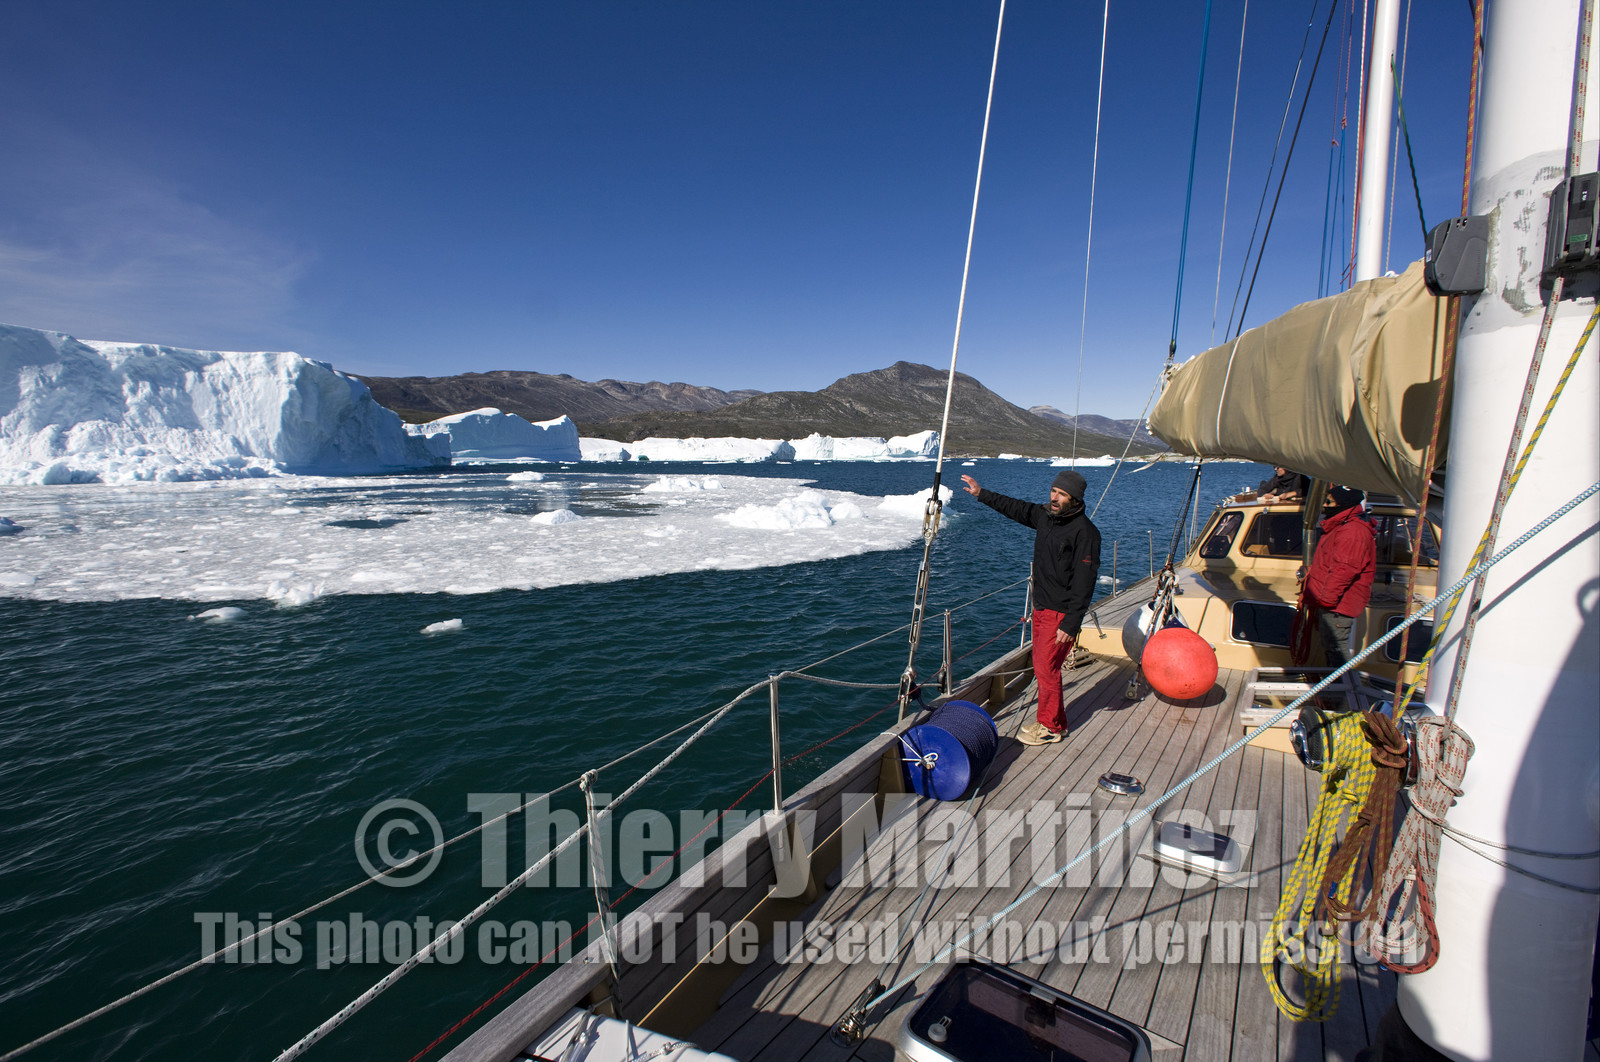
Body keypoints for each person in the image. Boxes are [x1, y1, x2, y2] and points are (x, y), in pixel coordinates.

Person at [961, 469, 1101, 745]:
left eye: (1062, 494)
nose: (1055, 497)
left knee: (1046, 669)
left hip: (1060, 613)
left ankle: (1049, 727)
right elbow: (1016, 508)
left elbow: (1085, 583)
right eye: (1053, 491)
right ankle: (1055, 722)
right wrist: (981, 494)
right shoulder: (1046, 517)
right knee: (1044, 668)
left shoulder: (1086, 533)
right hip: (1041, 607)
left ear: (1074, 499)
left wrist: (1071, 623)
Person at [1303, 486, 1376, 665]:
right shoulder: (1343, 527)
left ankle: (1339, 689)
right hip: (1332, 602)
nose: (1325, 505)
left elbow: (1344, 569)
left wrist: (1326, 600)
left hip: (1337, 605)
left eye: (1329, 502)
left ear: (1343, 505)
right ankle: (1334, 686)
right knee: (1331, 647)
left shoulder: (1352, 532)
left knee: (1336, 650)